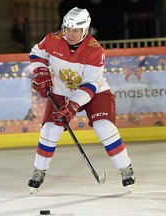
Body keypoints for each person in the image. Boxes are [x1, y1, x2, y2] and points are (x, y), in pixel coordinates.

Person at [28, 7, 135, 193]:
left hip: (94, 92)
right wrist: (40, 71)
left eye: (76, 30)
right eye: (67, 29)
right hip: (62, 90)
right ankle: (39, 171)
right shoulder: (52, 40)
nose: (70, 34)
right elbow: (37, 54)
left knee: (104, 126)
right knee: (50, 129)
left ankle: (126, 169)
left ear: (85, 30)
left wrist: (73, 106)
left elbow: (89, 86)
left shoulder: (95, 51)